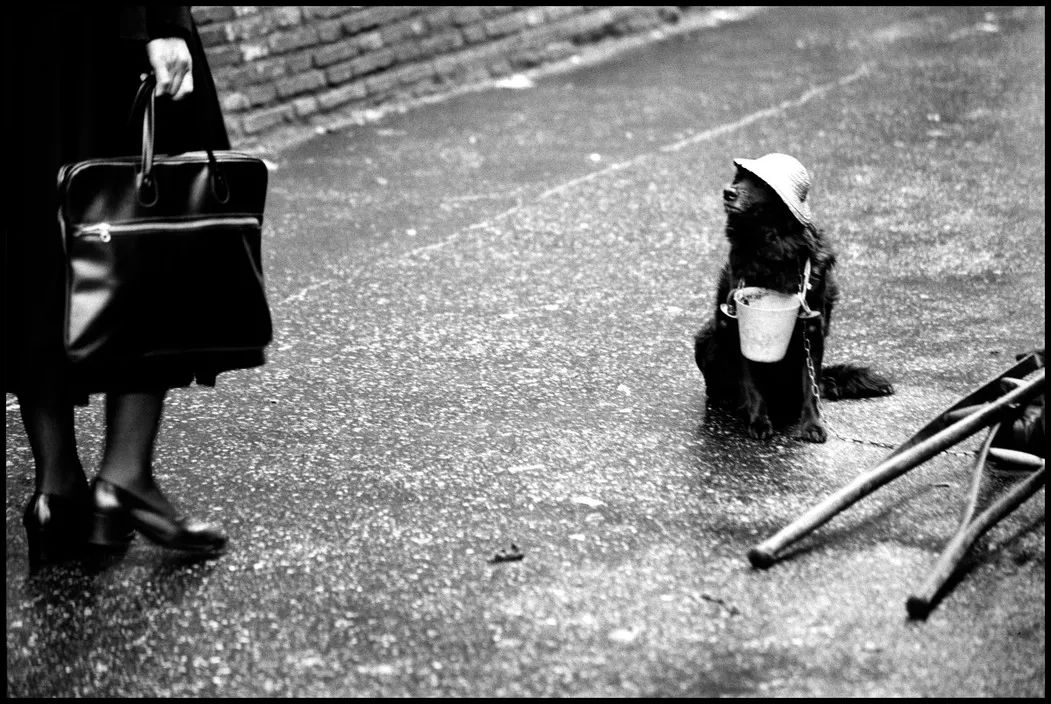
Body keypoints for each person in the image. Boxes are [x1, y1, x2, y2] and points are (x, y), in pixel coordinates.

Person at [4, 7, 261, 563]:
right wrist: (163, 21)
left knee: (31, 243)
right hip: (104, 32)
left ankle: (57, 490)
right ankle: (123, 476)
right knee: (149, 230)